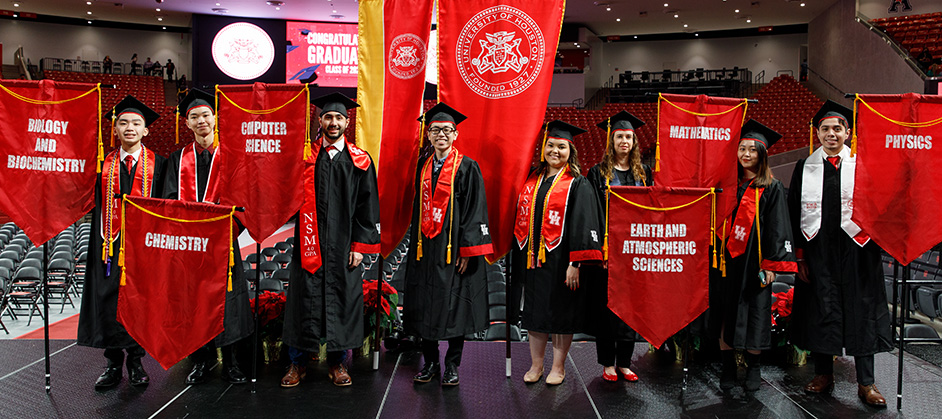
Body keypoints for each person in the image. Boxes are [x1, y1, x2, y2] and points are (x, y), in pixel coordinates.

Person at [788, 100, 892, 408]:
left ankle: (866, 382)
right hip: (819, 252)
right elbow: (795, 212)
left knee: (861, 312)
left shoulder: (863, 165)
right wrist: (801, 256)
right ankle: (823, 374)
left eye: (837, 128)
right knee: (822, 308)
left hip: (858, 253)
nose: (831, 134)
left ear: (848, 132)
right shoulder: (804, 167)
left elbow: (878, 209)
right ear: (817, 133)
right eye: (825, 129)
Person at [281, 93, 381, 388]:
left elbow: (368, 206)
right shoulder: (304, 158)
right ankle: (296, 363)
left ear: (347, 123)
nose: (333, 122)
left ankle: (338, 363)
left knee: (343, 302)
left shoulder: (360, 160)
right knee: (303, 302)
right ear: (320, 120)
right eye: (328, 117)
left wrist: (360, 247)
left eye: (339, 118)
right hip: (308, 244)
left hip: (343, 246)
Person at [162, 89, 254, 385]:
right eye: (193, 117)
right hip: (190, 246)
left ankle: (231, 364)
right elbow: (169, 201)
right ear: (186, 123)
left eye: (205, 115)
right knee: (194, 305)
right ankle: (201, 361)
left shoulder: (233, 157)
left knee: (229, 303)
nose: (200, 120)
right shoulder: (177, 159)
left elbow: (244, 199)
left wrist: (225, 229)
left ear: (215, 118)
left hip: (224, 245)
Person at [77, 95, 167, 389]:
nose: (130, 127)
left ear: (146, 131)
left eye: (136, 123)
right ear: (115, 129)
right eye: (123, 123)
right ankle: (113, 364)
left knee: (139, 303)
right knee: (109, 302)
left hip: (145, 248)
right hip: (108, 246)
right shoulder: (102, 165)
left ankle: (137, 362)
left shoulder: (161, 165)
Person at [404, 103, 493, 386]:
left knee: (456, 308)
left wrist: (468, 250)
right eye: (435, 130)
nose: (441, 134)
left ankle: (452, 365)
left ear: (455, 134)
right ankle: (430, 363)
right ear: (428, 135)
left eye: (446, 130)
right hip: (426, 249)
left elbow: (475, 209)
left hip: (454, 251)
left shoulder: (468, 167)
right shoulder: (422, 165)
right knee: (425, 306)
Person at [511, 120, 603, 386]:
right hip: (533, 260)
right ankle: (536, 365)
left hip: (562, 261)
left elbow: (584, 224)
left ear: (570, 151)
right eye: (550, 145)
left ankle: (558, 367)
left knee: (561, 314)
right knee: (535, 314)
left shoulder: (578, 184)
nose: (555, 151)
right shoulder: (531, 179)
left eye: (561, 146)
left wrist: (575, 263)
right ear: (543, 148)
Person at [710, 120, 796, 392]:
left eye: (752, 150)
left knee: (757, 314)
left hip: (755, 262)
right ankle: (727, 367)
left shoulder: (771, 187)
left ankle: (753, 367)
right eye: (742, 149)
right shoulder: (726, 185)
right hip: (726, 262)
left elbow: (778, 227)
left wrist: (772, 264)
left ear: (762, 155)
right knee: (726, 313)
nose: (746, 154)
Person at [585, 111, 652, 383]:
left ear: (635, 141)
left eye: (628, 137)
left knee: (631, 309)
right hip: (608, 250)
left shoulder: (644, 173)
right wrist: (599, 248)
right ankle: (608, 363)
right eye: (620, 137)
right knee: (607, 307)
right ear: (611, 141)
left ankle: (625, 362)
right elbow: (593, 212)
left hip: (634, 250)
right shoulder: (597, 173)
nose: (624, 141)